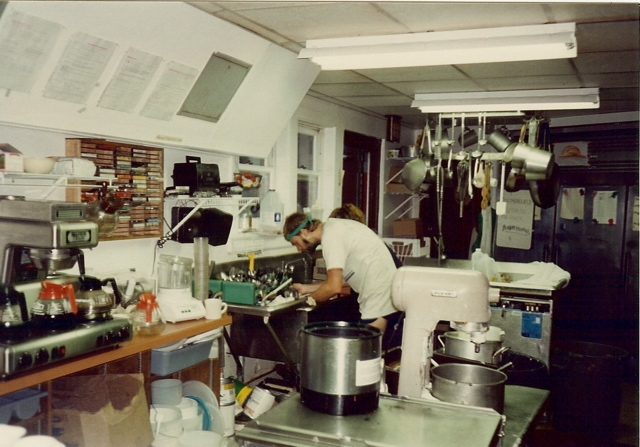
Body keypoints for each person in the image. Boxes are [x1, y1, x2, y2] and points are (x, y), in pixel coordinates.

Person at [283, 211, 403, 351]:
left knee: (366, 352)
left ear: (303, 232)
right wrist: (306, 288)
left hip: (377, 292)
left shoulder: (330, 237)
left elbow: (333, 287)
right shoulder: (336, 227)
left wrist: (308, 301)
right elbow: (344, 279)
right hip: (386, 288)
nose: (299, 249)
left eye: (296, 243)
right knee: (373, 350)